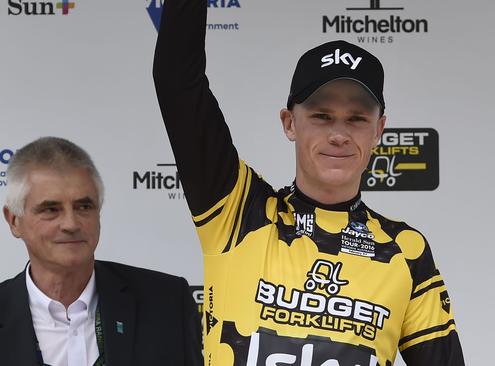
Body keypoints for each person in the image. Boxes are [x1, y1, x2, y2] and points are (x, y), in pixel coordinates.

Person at [153, 0, 465, 365]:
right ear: (289, 122)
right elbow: (177, 81)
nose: (339, 134)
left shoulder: (405, 251)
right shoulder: (238, 211)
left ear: (379, 129)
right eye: (321, 116)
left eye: (357, 119)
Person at [0, 137, 203, 366]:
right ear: (14, 221)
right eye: (51, 209)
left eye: (84, 207)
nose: (71, 224)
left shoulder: (167, 304)